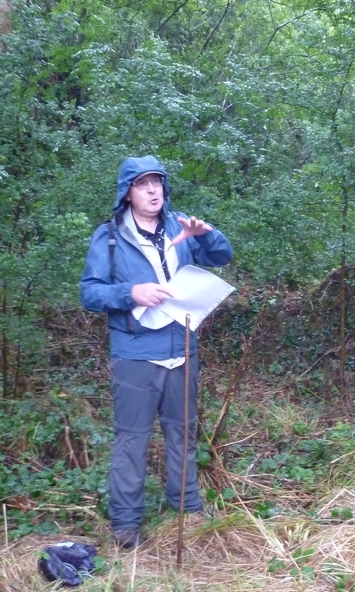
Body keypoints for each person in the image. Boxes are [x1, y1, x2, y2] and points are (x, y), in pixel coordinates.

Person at [81, 156, 233, 548]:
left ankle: (187, 508)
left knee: (182, 432)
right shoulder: (110, 237)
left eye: (158, 183)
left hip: (182, 346)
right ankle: (126, 524)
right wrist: (130, 293)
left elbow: (222, 256)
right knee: (132, 439)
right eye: (143, 184)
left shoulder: (179, 226)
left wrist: (206, 234)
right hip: (135, 353)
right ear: (127, 192)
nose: (153, 191)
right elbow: (90, 292)